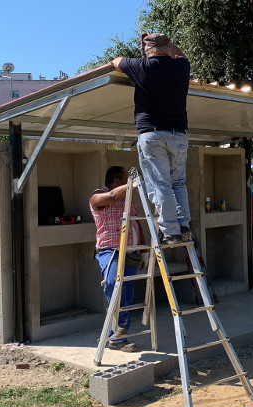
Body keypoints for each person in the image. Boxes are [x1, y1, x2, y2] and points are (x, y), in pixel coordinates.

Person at [113, 33, 192, 245]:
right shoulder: (181, 68)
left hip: (153, 134)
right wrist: (166, 43)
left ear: (148, 51)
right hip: (179, 135)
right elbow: (180, 54)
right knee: (178, 183)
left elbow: (116, 61)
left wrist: (144, 46)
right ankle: (183, 225)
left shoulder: (142, 66)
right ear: (167, 48)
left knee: (160, 184)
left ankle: (171, 232)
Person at [90, 166, 145, 353]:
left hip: (130, 251)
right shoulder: (97, 196)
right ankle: (119, 330)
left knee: (127, 293)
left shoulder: (128, 201)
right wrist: (133, 183)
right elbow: (112, 196)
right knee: (113, 284)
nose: (129, 186)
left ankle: (118, 338)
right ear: (115, 182)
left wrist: (142, 250)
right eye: (125, 180)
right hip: (109, 251)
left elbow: (136, 224)